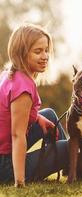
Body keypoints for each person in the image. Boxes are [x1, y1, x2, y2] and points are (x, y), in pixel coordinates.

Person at [0, 23, 69, 187]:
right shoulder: (23, 88)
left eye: (46, 50)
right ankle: (71, 160)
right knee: (70, 147)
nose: (45, 56)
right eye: (38, 51)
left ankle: (69, 167)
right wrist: (20, 181)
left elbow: (10, 112)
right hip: (5, 166)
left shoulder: (10, 74)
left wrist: (37, 118)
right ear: (21, 54)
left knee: (50, 115)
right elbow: (17, 135)